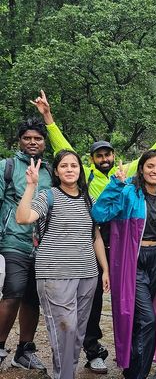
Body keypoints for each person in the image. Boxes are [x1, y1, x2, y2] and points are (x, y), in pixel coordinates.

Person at [32, 90, 156, 373]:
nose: (104, 158)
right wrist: (48, 118)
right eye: (98, 155)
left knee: (142, 316)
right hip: (114, 249)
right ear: (90, 159)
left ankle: (136, 365)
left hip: (130, 250)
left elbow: (152, 156)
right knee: (124, 313)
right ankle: (103, 356)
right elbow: (97, 210)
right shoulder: (103, 178)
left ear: (114, 156)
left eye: (107, 154)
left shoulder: (130, 174)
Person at [15, 150, 110, 379]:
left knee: (77, 332)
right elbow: (23, 218)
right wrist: (31, 186)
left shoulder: (90, 199)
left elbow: (95, 236)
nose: (69, 169)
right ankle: (64, 375)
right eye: (64, 166)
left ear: (80, 170)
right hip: (54, 273)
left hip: (87, 274)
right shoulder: (48, 196)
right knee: (64, 328)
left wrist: (105, 269)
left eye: (74, 165)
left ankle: (66, 373)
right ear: (57, 171)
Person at [91, 149, 156, 379]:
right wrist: (115, 185)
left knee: (143, 321)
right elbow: (99, 214)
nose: (155, 171)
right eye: (150, 166)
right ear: (141, 169)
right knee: (147, 319)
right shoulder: (129, 192)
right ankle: (138, 374)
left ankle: (133, 369)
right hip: (132, 263)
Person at [0, 117, 51, 371]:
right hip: (13, 240)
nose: (32, 142)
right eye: (27, 138)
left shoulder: (51, 171)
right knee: (14, 291)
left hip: (42, 246)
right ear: (19, 141)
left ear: (44, 142)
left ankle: (25, 350)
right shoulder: (7, 167)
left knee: (33, 297)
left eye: (38, 138)